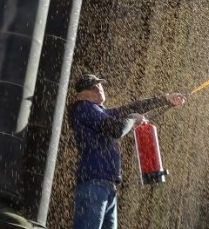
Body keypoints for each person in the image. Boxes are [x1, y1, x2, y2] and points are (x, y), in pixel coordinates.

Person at [70, 73, 187, 229]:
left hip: (108, 185)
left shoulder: (101, 112)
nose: (99, 88)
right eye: (94, 86)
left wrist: (165, 100)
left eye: (99, 85)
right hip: (94, 183)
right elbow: (117, 129)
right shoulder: (84, 108)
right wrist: (133, 119)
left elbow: (131, 108)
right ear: (81, 94)